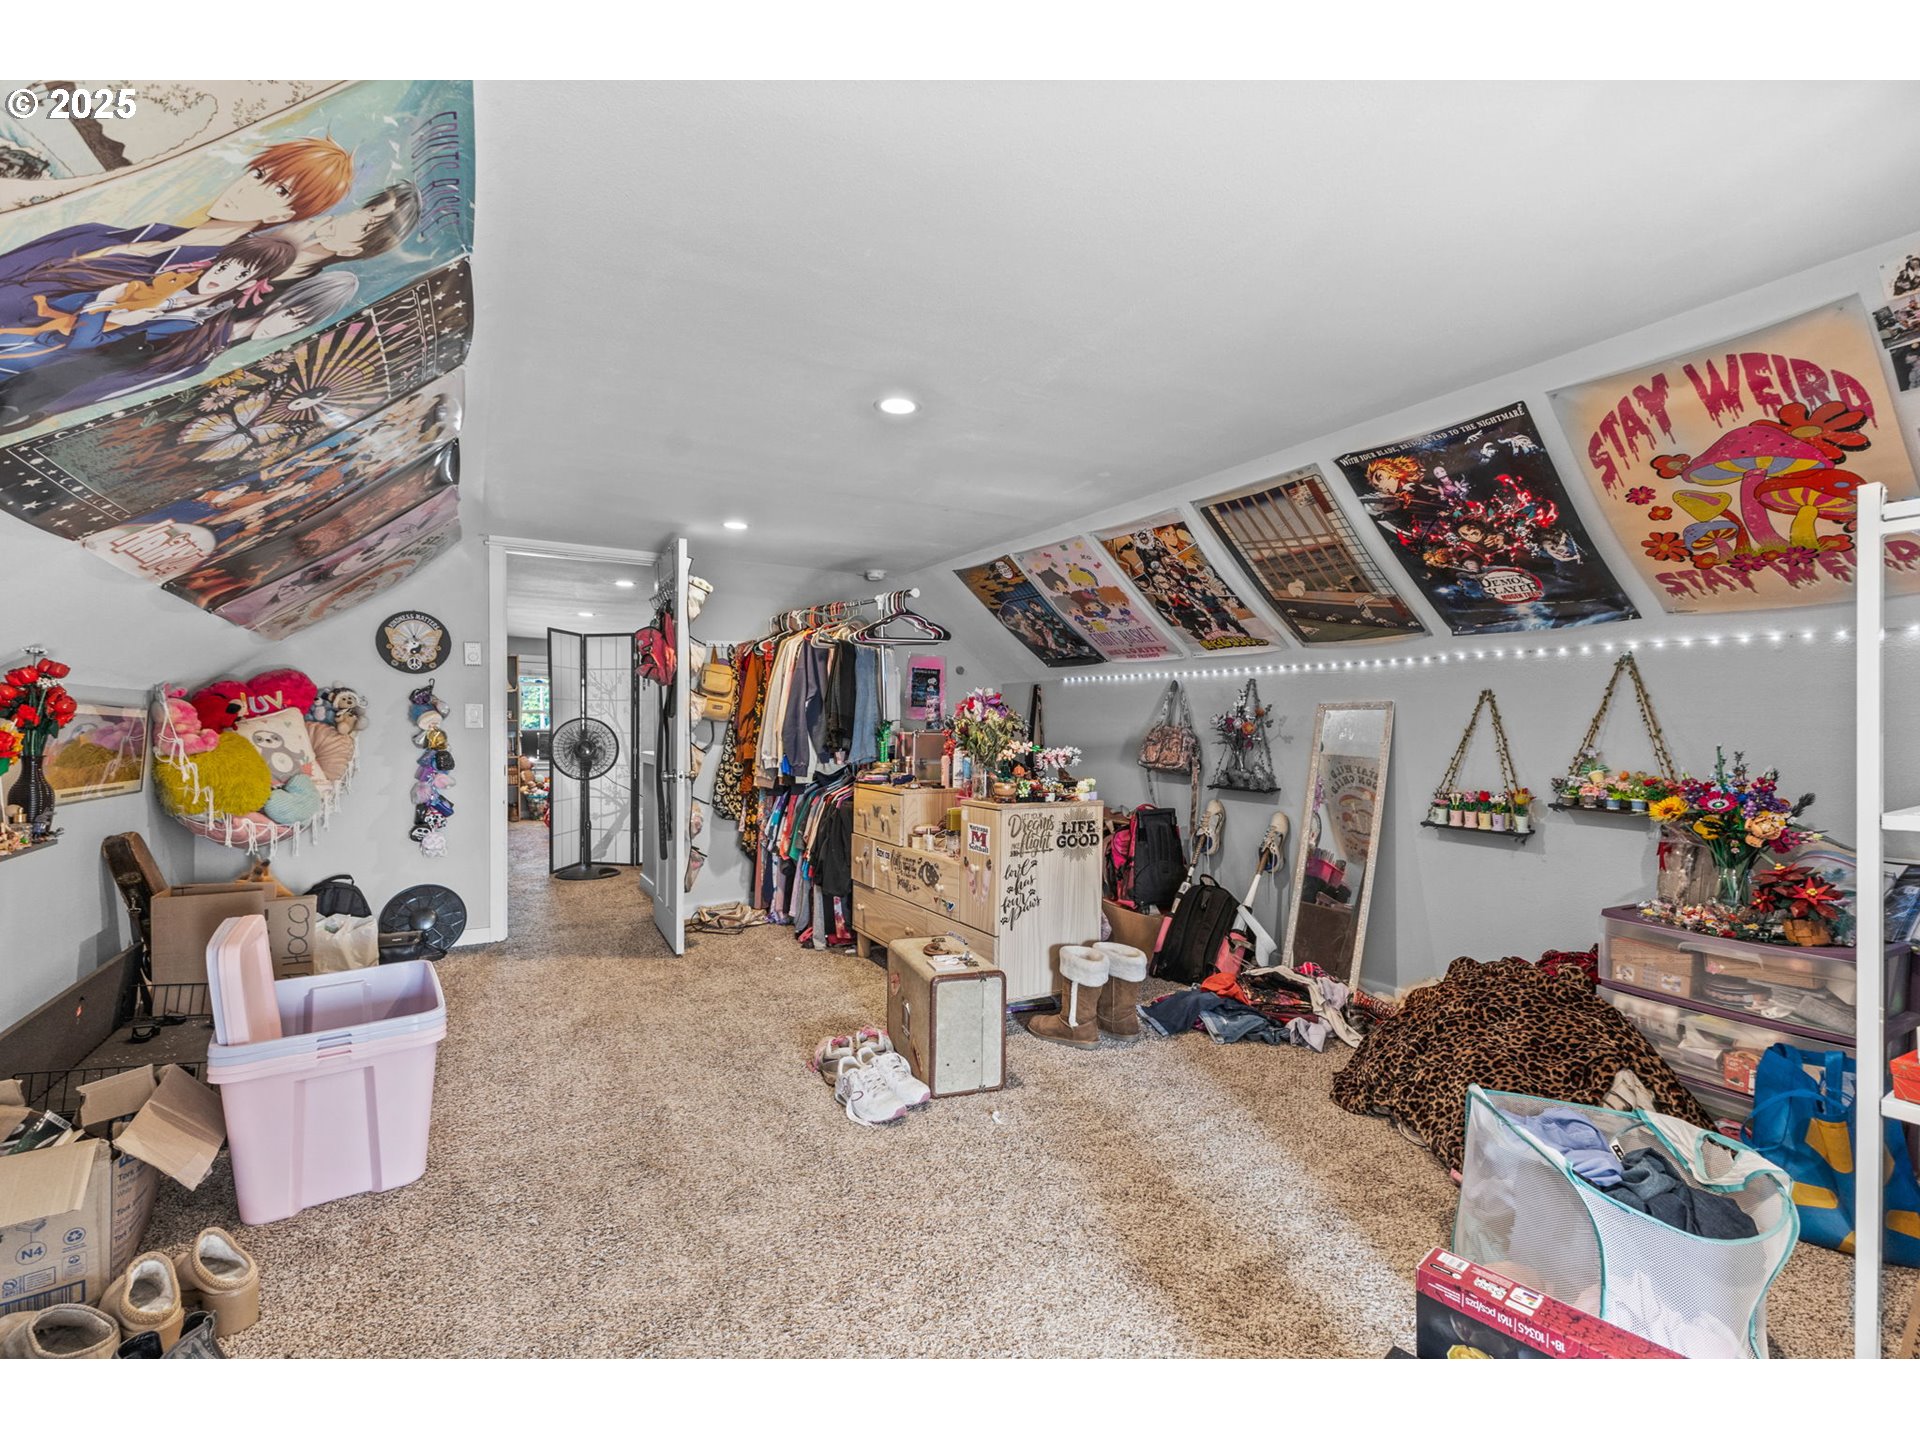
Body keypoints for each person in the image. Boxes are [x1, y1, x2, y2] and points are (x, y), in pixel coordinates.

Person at [0, 137, 352, 331]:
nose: (248, 188)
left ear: (283, 215)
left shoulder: (194, 285)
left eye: (279, 191)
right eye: (259, 174)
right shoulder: (106, 232)